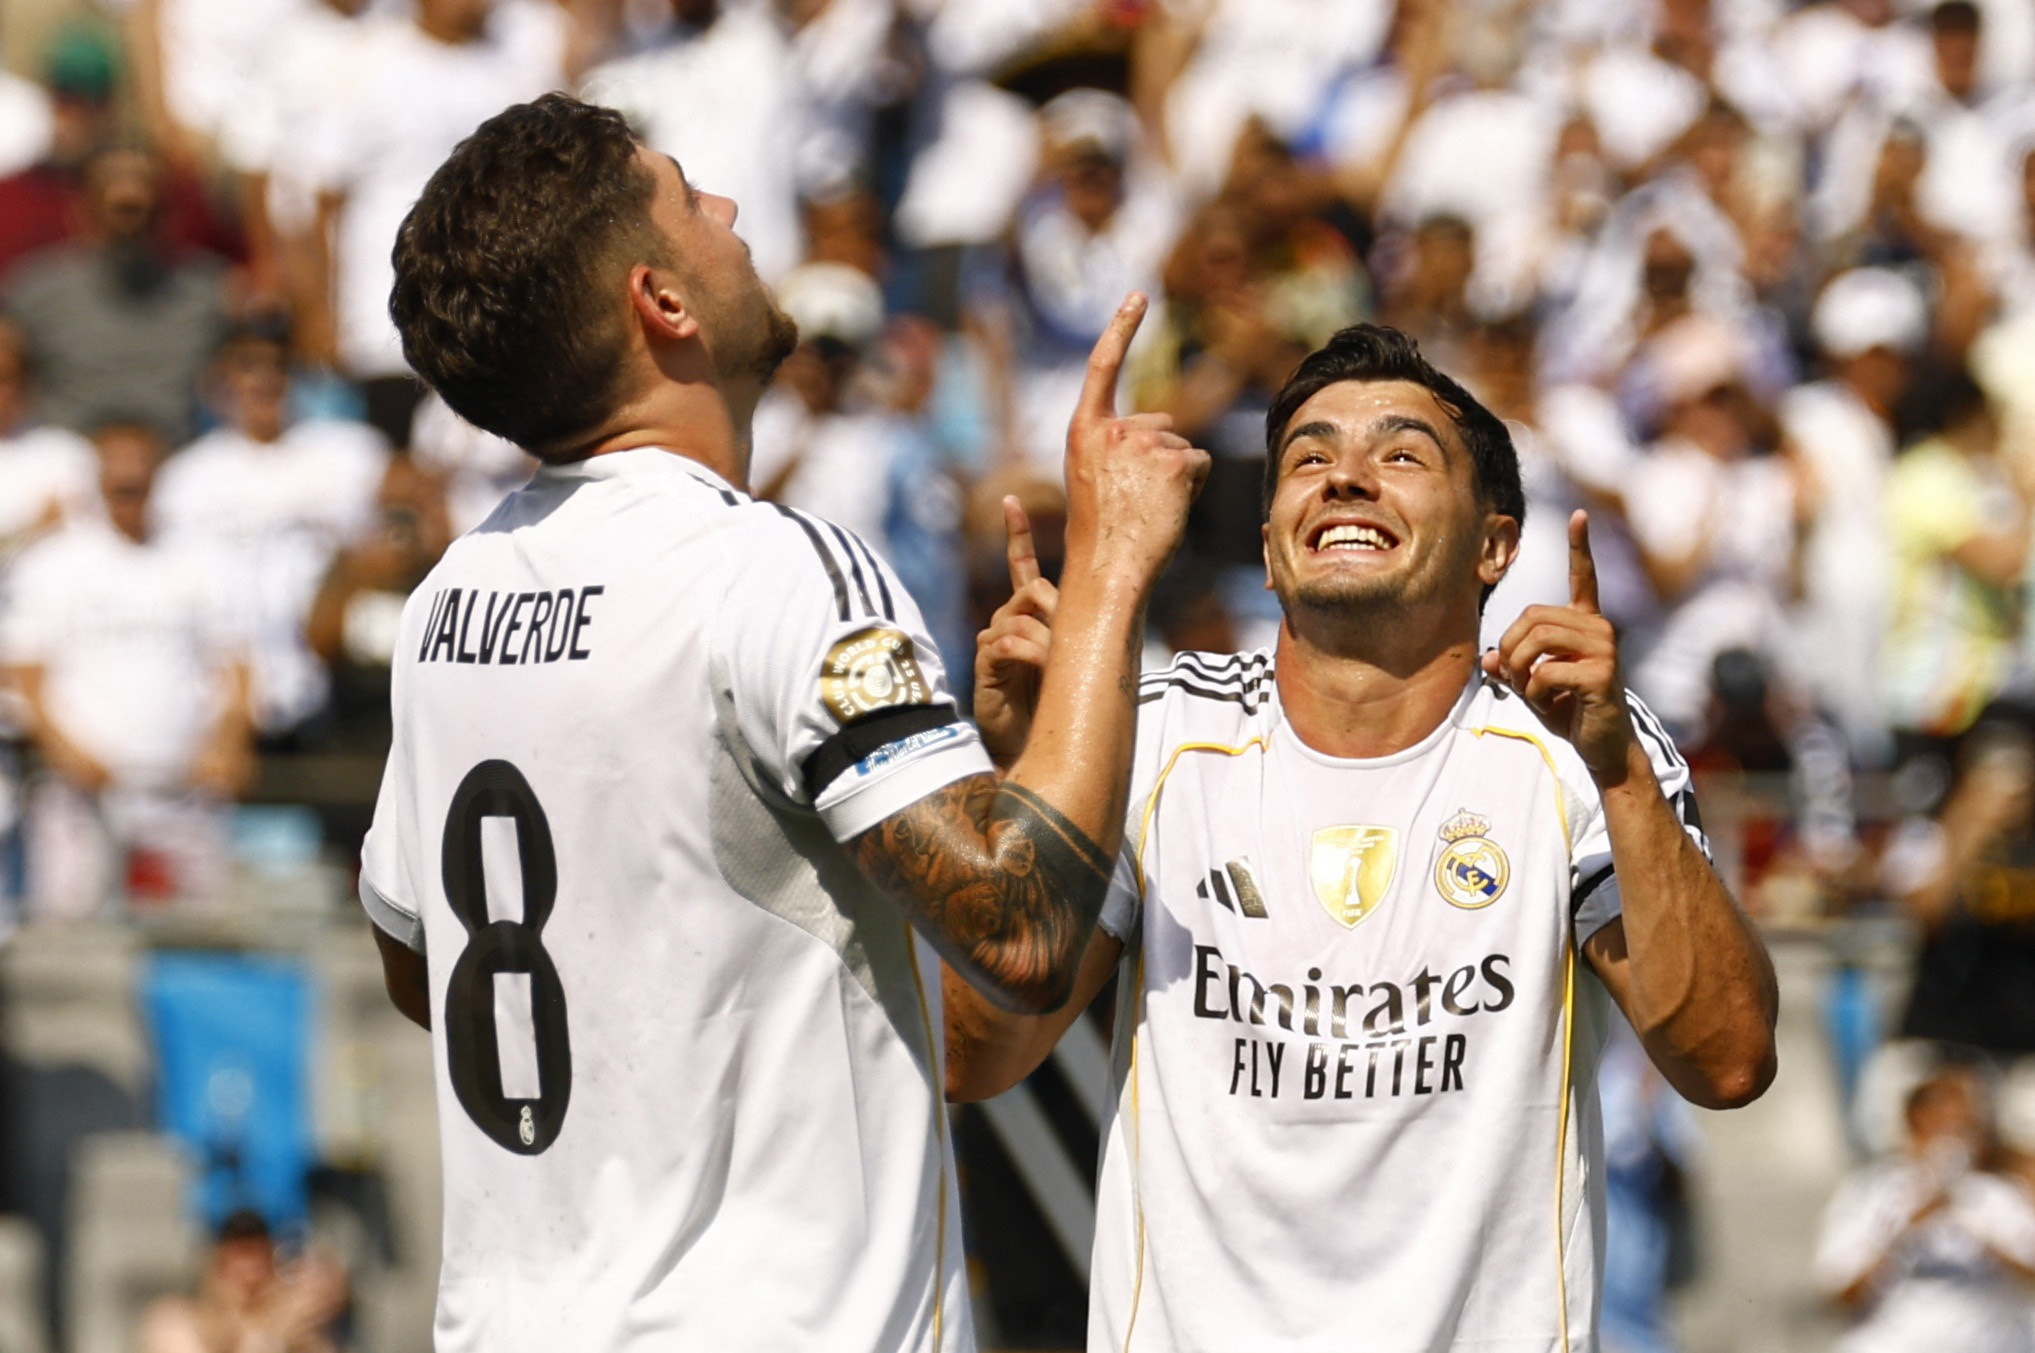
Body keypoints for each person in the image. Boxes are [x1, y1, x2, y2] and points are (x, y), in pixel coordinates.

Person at [359, 93, 1206, 1351]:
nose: (733, 213)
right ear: (666, 303)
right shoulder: (776, 571)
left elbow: (424, 975)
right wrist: (1111, 571)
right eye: (693, 196)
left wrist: (1008, 772)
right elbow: (1023, 928)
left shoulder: (445, 610)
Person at [948, 324, 1777, 1349]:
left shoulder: (1576, 749)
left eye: (1399, 455)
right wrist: (1034, 767)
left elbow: (1728, 1061)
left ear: (1494, 545)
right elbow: (974, 1055)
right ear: (1266, 548)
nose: (1343, 478)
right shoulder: (1155, 732)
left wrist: (1621, 775)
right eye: (1306, 459)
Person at [1, 420, 254, 916]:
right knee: (74, 941)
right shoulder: (51, 563)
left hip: (184, 792)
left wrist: (228, 742)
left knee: (191, 935)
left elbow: (237, 663)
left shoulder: (203, 558)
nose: (129, 490)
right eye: (119, 481)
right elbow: (25, 674)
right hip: (80, 797)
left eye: (139, 478)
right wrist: (69, 752)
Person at [1814, 1062, 2035, 1353]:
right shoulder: (1870, 1190)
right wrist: (1905, 1233)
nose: (1962, 1136)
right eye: (1951, 1124)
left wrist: (1983, 1238)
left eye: (1968, 1126)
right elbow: (1839, 1295)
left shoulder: (1996, 1193)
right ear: (1917, 1119)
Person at [138, 1209, 348, 1353]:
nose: (250, 1276)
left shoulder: (297, 1328)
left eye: (259, 1264)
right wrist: (269, 1340)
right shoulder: (173, 1322)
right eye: (236, 1265)